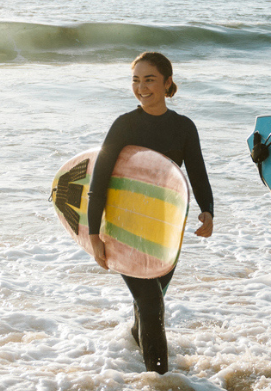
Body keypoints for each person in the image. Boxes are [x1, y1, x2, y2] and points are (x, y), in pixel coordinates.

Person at [87, 52, 214, 374]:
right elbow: (99, 179)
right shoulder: (125, 124)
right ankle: (159, 383)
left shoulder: (183, 127)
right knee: (152, 303)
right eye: (135, 80)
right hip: (123, 227)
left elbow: (196, 173)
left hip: (164, 229)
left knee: (150, 301)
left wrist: (207, 211)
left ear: (167, 82)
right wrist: (93, 234)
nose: (141, 87)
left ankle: (134, 343)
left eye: (149, 79)